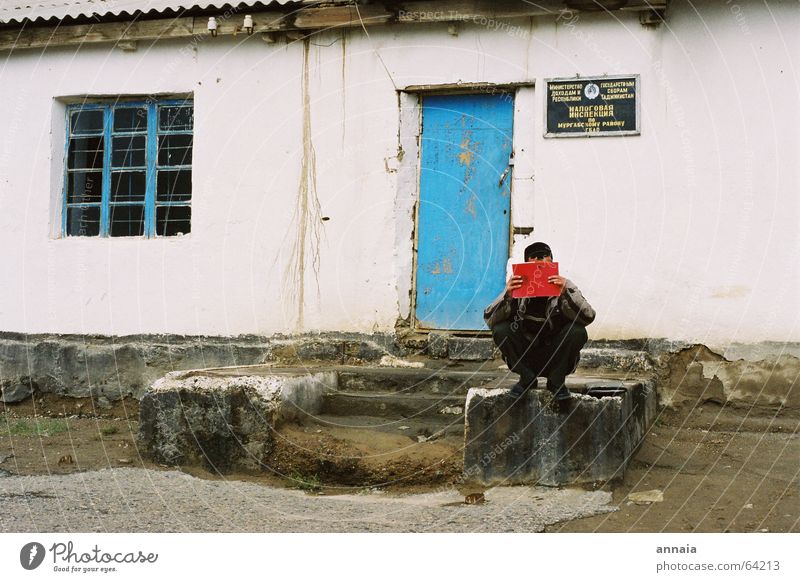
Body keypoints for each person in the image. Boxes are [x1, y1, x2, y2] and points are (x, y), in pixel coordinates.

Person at [484, 242, 595, 401]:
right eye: (533, 257)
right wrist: (507, 294)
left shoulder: (564, 287)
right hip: (526, 354)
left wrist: (566, 290)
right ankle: (527, 378)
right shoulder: (517, 289)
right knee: (500, 329)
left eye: (543, 256)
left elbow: (588, 316)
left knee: (577, 331)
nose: (538, 260)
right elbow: (489, 320)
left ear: (551, 260)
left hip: (556, 355)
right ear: (526, 262)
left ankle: (556, 382)